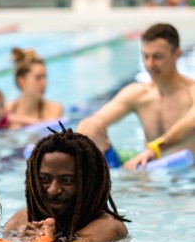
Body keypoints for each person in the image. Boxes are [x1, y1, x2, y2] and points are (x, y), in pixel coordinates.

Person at [76, 23, 195, 170]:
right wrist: (89, 134)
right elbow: (96, 120)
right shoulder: (138, 94)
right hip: (149, 178)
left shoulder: (192, 93)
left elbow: (191, 123)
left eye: (157, 57)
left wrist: (155, 148)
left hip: (187, 180)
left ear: (177, 54)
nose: (150, 64)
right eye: (146, 56)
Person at [3, 122, 129, 242]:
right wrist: (19, 240)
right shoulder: (20, 220)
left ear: (90, 183)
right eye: (45, 179)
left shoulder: (109, 227)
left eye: (67, 180)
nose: (53, 190)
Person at [5, 47, 64, 129]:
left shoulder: (54, 109)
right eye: (38, 78)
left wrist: (16, 119)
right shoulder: (5, 109)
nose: (44, 83)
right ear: (21, 81)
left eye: (45, 77)